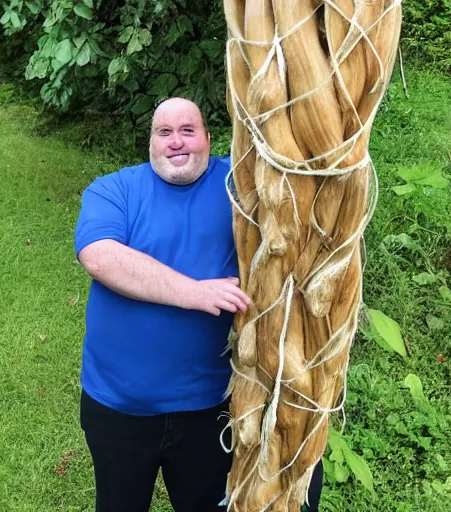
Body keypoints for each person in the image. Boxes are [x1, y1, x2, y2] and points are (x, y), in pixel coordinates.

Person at [75, 97, 323, 512]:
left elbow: (304, 193)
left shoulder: (240, 185)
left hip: (210, 410)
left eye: (188, 130)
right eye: (164, 133)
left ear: (209, 139)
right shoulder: (115, 189)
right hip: (119, 407)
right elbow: (100, 256)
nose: (176, 141)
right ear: (150, 143)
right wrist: (197, 293)